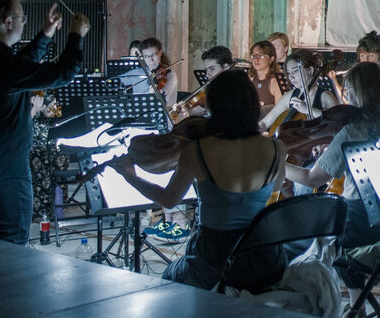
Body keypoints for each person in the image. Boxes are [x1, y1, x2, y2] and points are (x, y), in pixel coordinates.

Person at [113, 68, 289, 291]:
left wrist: (129, 175)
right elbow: (276, 185)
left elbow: (168, 200)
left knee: (169, 278)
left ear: (214, 106)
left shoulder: (198, 150)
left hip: (214, 259)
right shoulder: (277, 148)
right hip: (266, 257)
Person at [0, 0, 89, 244]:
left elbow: (20, 64)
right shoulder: (4, 64)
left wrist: (46, 34)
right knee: (11, 247)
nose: (23, 23)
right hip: (4, 174)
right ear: (8, 22)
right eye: (21, 18)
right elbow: (62, 74)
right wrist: (76, 36)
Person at [284, 62, 380, 248]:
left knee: (289, 241)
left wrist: (275, 163)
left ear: (359, 92)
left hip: (359, 222)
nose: (345, 96)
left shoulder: (354, 130)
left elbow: (313, 179)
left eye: (348, 90)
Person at [260, 48, 339, 131]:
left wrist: (309, 110)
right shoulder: (290, 96)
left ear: (310, 70)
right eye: (289, 72)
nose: (291, 77)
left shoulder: (325, 96)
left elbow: (339, 122)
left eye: (296, 71)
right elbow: (264, 123)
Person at [137, 36, 177, 107]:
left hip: (166, 114)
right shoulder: (140, 74)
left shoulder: (170, 75)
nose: (151, 60)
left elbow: (162, 100)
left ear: (160, 52)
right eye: (146, 56)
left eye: (153, 55)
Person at [248, 39, 284, 109]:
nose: (256, 59)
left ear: (271, 59)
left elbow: (279, 111)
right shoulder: (249, 79)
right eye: (253, 56)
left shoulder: (275, 81)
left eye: (261, 56)